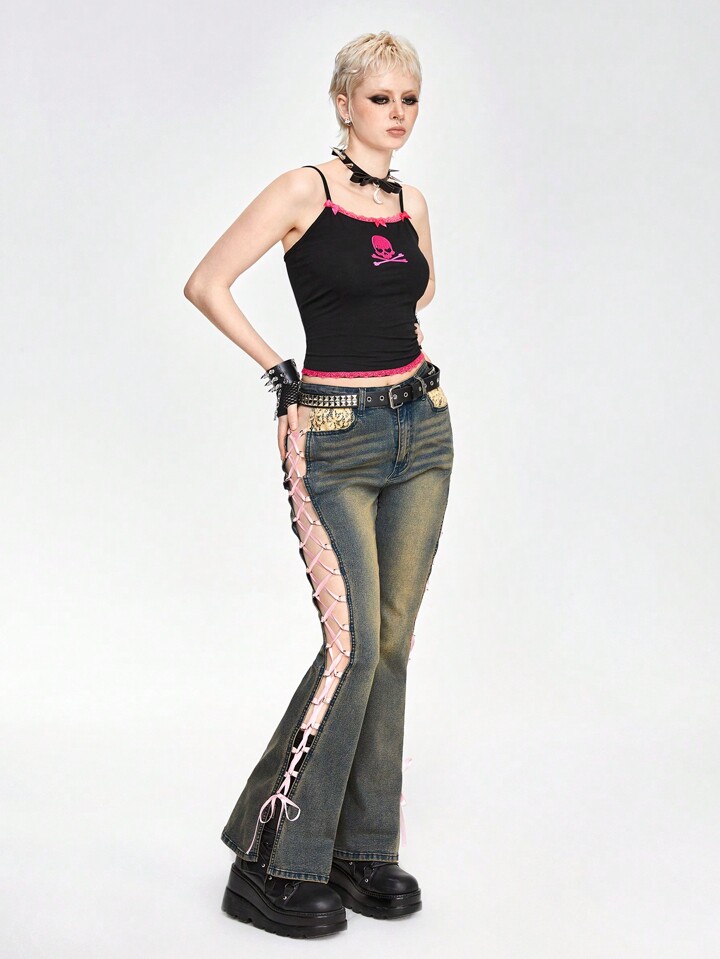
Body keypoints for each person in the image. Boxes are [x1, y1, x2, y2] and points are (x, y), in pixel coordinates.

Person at [184, 30, 454, 939]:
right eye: (381, 98)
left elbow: (417, 293)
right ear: (344, 103)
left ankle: (362, 847)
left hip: (422, 427)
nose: (398, 114)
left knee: (392, 646)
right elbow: (208, 282)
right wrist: (282, 375)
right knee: (352, 649)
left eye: (409, 99)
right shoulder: (304, 190)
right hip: (333, 436)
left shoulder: (412, 201)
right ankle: (272, 858)